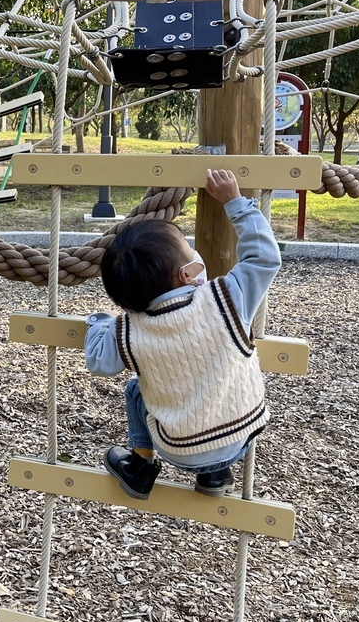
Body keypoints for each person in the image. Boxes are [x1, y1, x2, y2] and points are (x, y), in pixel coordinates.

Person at [84, 168, 280, 499]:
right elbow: (264, 257)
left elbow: (98, 360)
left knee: (136, 389)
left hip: (179, 449)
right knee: (214, 380)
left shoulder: (131, 328)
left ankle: (141, 465)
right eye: (190, 251)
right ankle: (216, 476)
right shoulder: (226, 297)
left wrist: (101, 321)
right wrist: (235, 203)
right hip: (242, 434)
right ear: (188, 273)